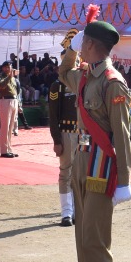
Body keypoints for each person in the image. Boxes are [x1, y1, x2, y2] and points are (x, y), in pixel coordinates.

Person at [59, 7, 131, 262]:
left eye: (83, 42)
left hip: (103, 168)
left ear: (92, 44)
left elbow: (121, 133)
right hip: (83, 162)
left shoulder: (112, 83)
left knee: (96, 239)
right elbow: (64, 74)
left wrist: (126, 181)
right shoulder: (86, 76)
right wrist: (69, 51)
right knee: (85, 238)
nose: (80, 47)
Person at [48, 73, 79, 226]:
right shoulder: (58, 85)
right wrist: (56, 139)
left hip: (84, 133)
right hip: (66, 132)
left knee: (81, 171)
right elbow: (53, 114)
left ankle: (77, 210)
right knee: (66, 171)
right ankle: (67, 212)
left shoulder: (84, 80)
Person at [0, 62, 20, 157]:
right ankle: (4, 151)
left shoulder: (13, 78)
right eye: (5, 67)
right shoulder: (0, 77)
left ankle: (9, 148)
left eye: (8, 67)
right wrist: (10, 76)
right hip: (5, 101)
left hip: (13, 100)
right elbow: (1, 85)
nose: (7, 69)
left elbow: (17, 90)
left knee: (11, 128)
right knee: (5, 127)